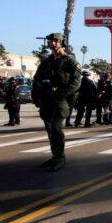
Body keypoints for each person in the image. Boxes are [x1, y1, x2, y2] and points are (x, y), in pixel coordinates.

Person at [32, 33, 81, 172]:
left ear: (61, 43)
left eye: (55, 41)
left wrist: (60, 93)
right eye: (50, 41)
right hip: (47, 99)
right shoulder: (47, 61)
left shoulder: (69, 60)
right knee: (49, 127)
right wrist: (36, 96)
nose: (52, 43)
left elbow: (76, 83)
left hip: (61, 99)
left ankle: (60, 158)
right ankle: (55, 155)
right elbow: (37, 79)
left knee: (55, 126)